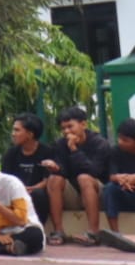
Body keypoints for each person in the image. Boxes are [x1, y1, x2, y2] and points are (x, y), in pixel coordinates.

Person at [43, 105, 112, 246]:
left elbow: (95, 171)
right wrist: (56, 168)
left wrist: (74, 150)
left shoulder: (99, 143)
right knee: (54, 179)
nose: (66, 131)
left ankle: (93, 233)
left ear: (83, 124)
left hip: (96, 191)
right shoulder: (60, 144)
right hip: (73, 192)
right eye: (63, 128)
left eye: (70, 126)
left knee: (84, 178)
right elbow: (64, 173)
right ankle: (58, 231)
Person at [1, 112, 55, 226]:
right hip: (15, 192)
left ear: (30, 134)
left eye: (17, 130)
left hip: (38, 192)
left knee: (38, 194)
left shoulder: (47, 152)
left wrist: (32, 188)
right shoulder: (11, 154)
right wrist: (20, 189)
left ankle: (37, 228)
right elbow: (5, 179)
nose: (13, 134)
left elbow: (48, 179)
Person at [96, 118, 135, 252]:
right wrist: (120, 178)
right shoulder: (115, 151)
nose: (120, 142)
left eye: (125, 140)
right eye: (119, 138)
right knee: (110, 189)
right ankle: (116, 234)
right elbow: (112, 175)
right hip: (126, 192)